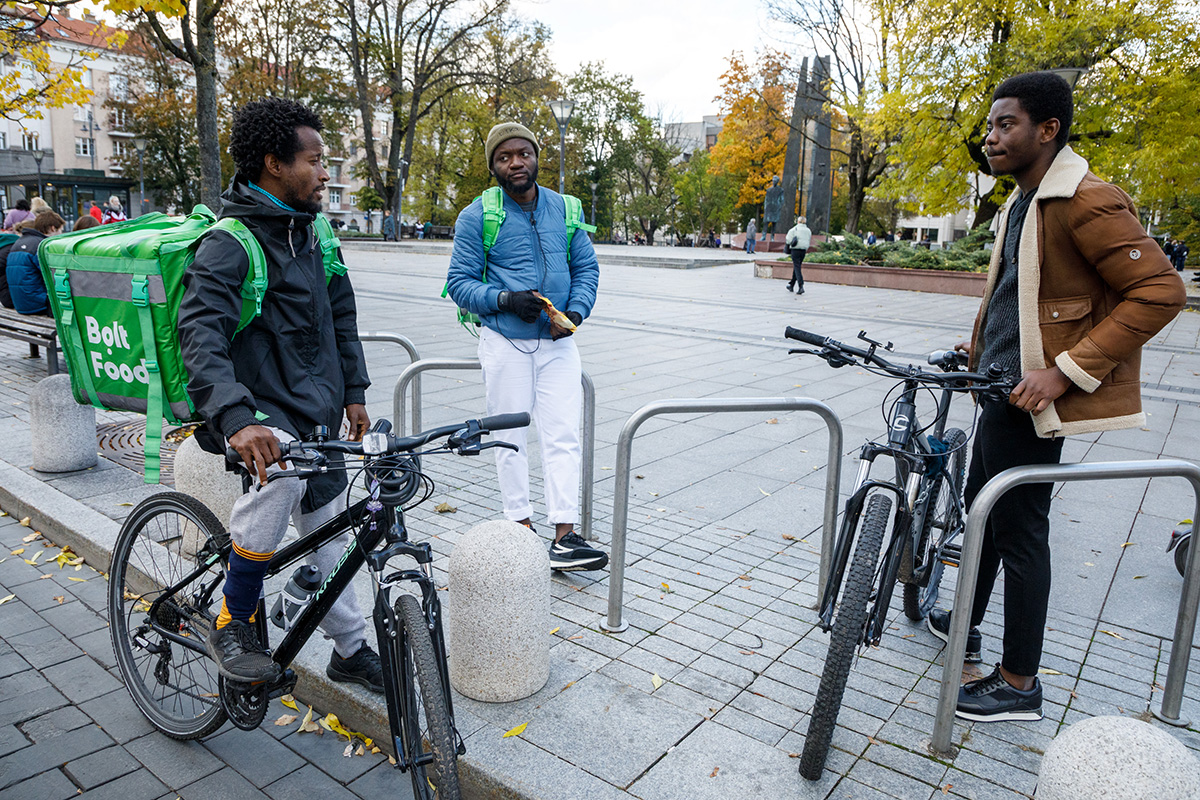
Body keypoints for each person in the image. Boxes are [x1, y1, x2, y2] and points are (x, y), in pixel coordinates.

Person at [927, 72, 1185, 722]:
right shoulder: (1025, 198)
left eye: (1005, 124)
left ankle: (1018, 683)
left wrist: (1065, 372)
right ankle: (964, 624)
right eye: (989, 126)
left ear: (1047, 129)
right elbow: (1023, 295)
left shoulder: (1084, 198)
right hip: (998, 390)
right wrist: (979, 348)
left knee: (1018, 532)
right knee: (979, 512)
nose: (990, 137)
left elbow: (1160, 292)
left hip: (1031, 402)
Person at [177, 97, 382, 689]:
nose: (325, 174)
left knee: (331, 530)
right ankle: (234, 620)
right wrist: (237, 418)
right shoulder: (231, 241)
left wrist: (355, 391)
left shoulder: (314, 231)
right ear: (273, 163)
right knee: (283, 479)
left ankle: (348, 649)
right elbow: (200, 333)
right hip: (254, 410)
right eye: (315, 161)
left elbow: (341, 313)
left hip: (314, 407)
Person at [445, 121, 606, 572]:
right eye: (504, 157)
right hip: (505, 343)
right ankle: (520, 529)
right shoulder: (478, 215)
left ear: (536, 157)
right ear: (494, 165)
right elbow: (458, 284)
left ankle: (564, 534)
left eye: (523, 153)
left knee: (563, 436)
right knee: (509, 438)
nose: (516, 162)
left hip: (558, 344)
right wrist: (504, 300)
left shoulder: (566, 208)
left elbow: (587, 269)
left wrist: (574, 313)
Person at [6, 211, 64, 315]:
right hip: (38, 304)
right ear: (52, 228)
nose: (61, 234)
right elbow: (54, 277)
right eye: (60, 230)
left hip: (20, 303)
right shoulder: (42, 246)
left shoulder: (18, 243)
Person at [785, 216, 813, 295]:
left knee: (797, 267)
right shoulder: (808, 230)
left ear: (798, 221)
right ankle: (791, 285)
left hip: (795, 249)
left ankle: (801, 286)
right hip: (803, 250)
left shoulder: (794, 229)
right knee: (797, 266)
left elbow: (788, 239)